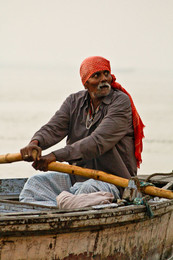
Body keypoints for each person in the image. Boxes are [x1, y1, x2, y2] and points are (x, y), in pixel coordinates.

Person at [19, 56, 145, 207]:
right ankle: (63, 206)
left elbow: (97, 142)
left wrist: (54, 156)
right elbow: (53, 128)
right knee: (34, 184)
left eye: (106, 74)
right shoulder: (74, 101)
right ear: (86, 83)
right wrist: (35, 143)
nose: (103, 79)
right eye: (96, 75)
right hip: (76, 178)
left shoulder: (120, 102)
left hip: (113, 182)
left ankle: (66, 204)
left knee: (86, 189)